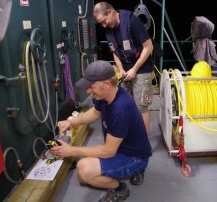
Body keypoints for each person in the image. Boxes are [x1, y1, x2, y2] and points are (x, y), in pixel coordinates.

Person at [51, 60, 152, 202]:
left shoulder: (120, 109)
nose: (87, 91)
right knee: (83, 177)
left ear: (107, 83)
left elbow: (108, 151)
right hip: (119, 149)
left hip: (134, 157)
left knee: (84, 170)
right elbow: (94, 112)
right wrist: (71, 122)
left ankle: (120, 189)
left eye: (91, 86)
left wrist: (72, 151)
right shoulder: (106, 95)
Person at [93, 1, 154, 134]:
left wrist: (134, 70)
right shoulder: (109, 29)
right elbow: (115, 52)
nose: (104, 26)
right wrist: (121, 70)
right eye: (101, 24)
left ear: (110, 12)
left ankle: (144, 144)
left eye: (104, 21)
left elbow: (148, 47)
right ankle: (131, 134)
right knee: (126, 104)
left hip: (142, 69)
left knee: (141, 108)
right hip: (125, 71)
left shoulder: (133, 22)